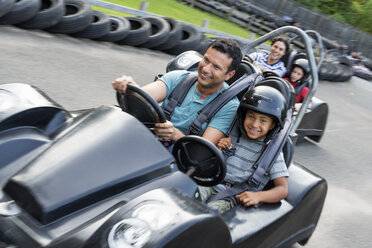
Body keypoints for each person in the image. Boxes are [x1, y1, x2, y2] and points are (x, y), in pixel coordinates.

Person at [112, 38, 242, 145]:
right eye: (206, 60)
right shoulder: (178, 78)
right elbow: (143, 96)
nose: (206, 69)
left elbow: (201, 149)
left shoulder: (229, 106)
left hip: (179, 158)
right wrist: (128, 87)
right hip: (149, 140)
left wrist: (174, 134)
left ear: (229, 75)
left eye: (216, 67)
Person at [199, 85, 289, 213]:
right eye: (251, 116)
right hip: (211, 181)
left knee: (207, 215)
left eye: (263, 120)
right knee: (188, 195)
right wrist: (219, 148)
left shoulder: (272, 152)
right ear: (244, 116)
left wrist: (258, 196)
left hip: (234, 195)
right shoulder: (233, 136)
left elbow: (282, 190)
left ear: (273, 125)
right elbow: (212, 164)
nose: (254, 124)